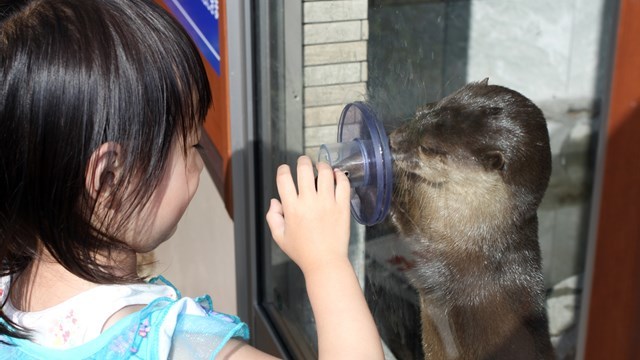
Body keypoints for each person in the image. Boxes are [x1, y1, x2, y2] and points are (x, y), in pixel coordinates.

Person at [0, 0, 383, 359]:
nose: (198, 164)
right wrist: (326, 264)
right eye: (193, 145)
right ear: (109, 180)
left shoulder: (9, 292)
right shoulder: (170, 344)